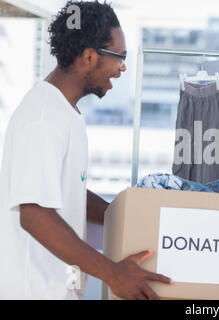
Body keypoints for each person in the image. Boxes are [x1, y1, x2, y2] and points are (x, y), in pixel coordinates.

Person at [0, 1, 172, 300]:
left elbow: (68, 192)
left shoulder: (65, 111)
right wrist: (112, 273)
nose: (122, 68)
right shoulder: (43, 118)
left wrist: (121, 216)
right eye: (119, 57)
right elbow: (34, 213)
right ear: (89, 56)